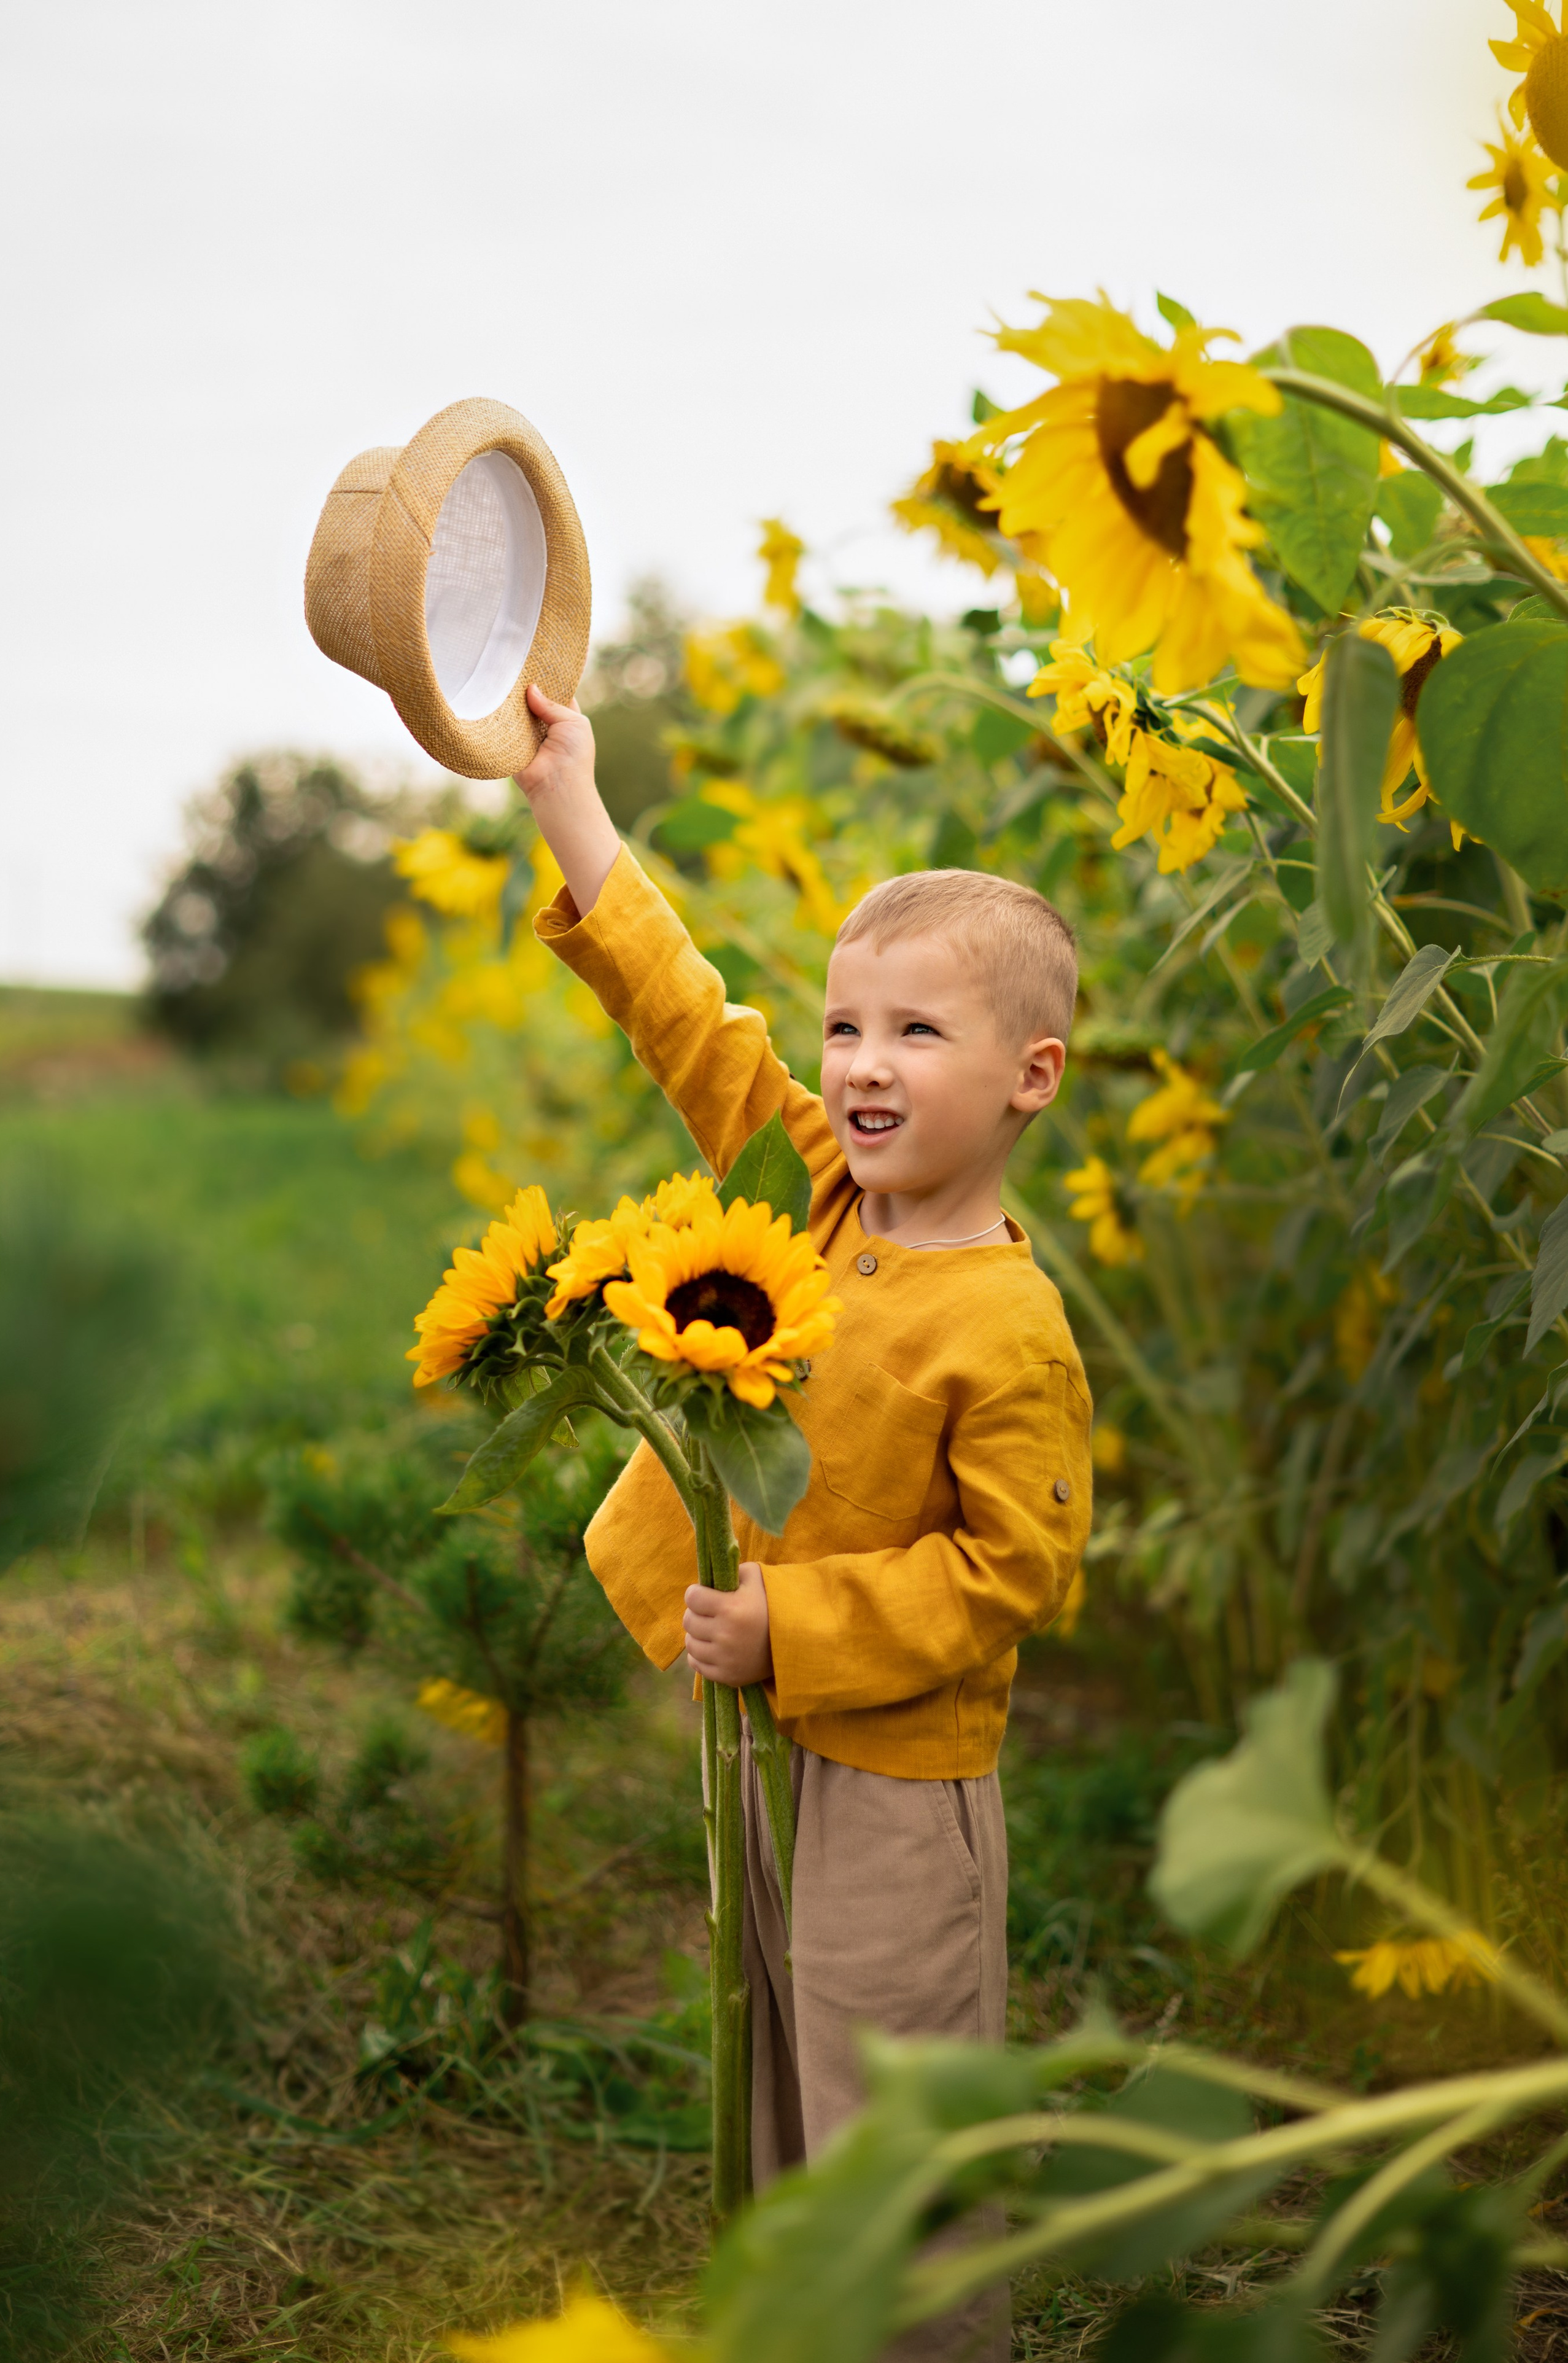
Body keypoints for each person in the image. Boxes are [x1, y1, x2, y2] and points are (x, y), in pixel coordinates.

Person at [518, 682, 1092, 2357]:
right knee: (783, 2071)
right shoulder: (821, 1196)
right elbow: (694, 1021)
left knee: (886, 2130)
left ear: (1030, 1076)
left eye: (919, 1033)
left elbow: (1016, 1568)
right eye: (848, 1028)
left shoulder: (1010, 1327)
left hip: (903, 1793)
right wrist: (572, 801)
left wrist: (799, 1629)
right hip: (769, 1748)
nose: (861, 1066)